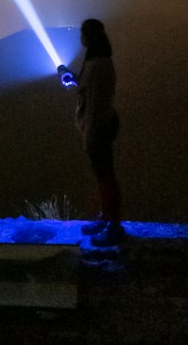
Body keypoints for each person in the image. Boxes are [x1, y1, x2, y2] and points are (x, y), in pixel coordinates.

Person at [65, 18, 123, 245]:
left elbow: (94, 102)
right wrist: (73, 81)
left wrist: (89, 134)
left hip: (98, 126)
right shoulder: (101, 61)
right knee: (103, 176)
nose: (80, 37)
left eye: (82, 33)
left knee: (106, 177)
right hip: (103, 123)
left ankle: (113, 226)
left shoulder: (97, 64)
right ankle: (107, 218)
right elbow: (88, 90)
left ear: (88, 36)